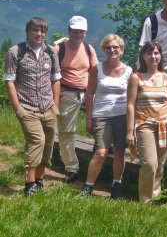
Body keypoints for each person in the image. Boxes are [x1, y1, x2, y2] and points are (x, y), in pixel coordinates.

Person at [3, 17, 61, 195]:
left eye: (42, 31)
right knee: (37, 141)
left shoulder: (51, 52)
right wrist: (17, 108)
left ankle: (40, 179)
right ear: (27, 31)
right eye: (35, 30)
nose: (39, 34)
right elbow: (9, 81)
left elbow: (56, 78)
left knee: (49, 145)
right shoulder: (16, 52)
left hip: (48, 107)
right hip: (27, 108)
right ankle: (29, 184)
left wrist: (56, 105)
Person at [126, 41, 167, 204]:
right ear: (143, 56)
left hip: (165, 124)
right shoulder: (136, 78)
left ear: (161, 56)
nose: (153, 56)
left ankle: (156, 195)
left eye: (156, 53)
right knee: (149, 164)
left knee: (160, 163)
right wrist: (130, 131)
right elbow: (130, 104)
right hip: (144, 124)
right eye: (149, 53)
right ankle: (145, 200)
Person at [80, 34, 132, 198]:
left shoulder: (128, 71)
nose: (112, 50)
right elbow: (89, 94)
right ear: (104, 49)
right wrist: (89, 118)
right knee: (101, 152)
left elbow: (132, 98)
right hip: (101, 115)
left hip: (122, 116)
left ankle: (117, 185)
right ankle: (88, 187)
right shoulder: (97, 69)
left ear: (121, 49)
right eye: (108, 47)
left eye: (115, 47)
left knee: (119, 151)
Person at [54, 16, 98, 183]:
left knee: (97, 125)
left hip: (87, 92)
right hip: (67, 93)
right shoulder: (59, 49)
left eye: (81, 31)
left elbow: (94, 71)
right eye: (75, 31)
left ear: (85, 33)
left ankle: (99, 156)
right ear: (69, 31)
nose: (78, 34)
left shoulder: (88, 49)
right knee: (67, 131)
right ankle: (72, 168)